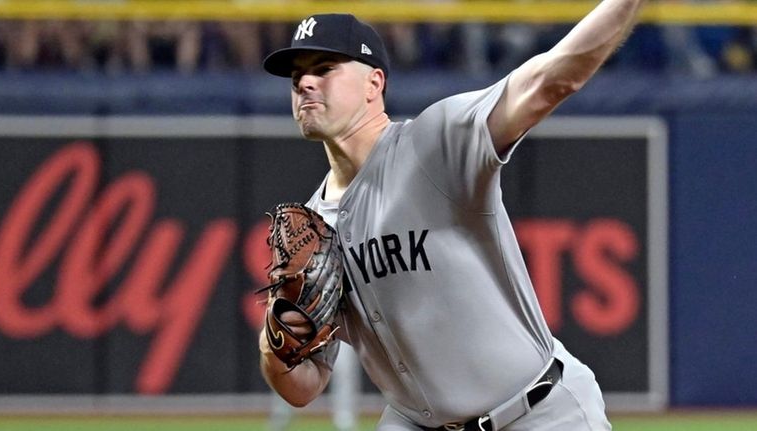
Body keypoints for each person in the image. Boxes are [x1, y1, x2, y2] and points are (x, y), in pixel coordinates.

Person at [259, 2, 647, 429]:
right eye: (296, 76)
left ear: (374, 83)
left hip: (537, 411)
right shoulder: (310, 231)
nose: (305, 83)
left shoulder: (434, 146)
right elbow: (303, 387)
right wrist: (275, 344)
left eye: (325, 67)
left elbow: (552, 78)